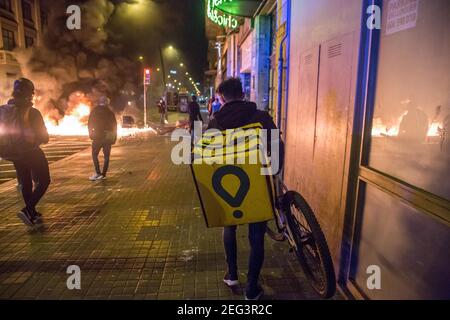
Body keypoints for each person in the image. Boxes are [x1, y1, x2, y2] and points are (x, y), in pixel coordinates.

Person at [207, 77, 284, 300]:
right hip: (258, 184)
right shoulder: (259, 116)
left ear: (221, 97)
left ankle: (232, 275)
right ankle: (252, 288)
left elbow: (209, 157)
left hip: (230, 186)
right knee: (256, 235)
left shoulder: (215, 122)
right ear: (242, 93)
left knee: (229, 228)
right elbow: (277, 145)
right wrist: (276, 174)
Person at [0, 78, 50, 226]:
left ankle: (32, 213)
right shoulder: (33, 113)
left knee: (26, 183)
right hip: (31, 152)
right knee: (44, 181)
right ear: (30, 94)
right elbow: (43, 137)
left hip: (14, 153)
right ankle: (28, 209)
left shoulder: (3, 110)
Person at [88, 96, 117, 181]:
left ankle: (98, 173)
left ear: (99, 102)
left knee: (94, 155)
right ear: (107, 103)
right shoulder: (110, 112)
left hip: (97, 136)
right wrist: (114, 138)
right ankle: (103, 175)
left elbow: (90, 124)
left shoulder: (94, 111)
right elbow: (114, 126)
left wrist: (90, 134)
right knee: (106, 156)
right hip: (108, 137)